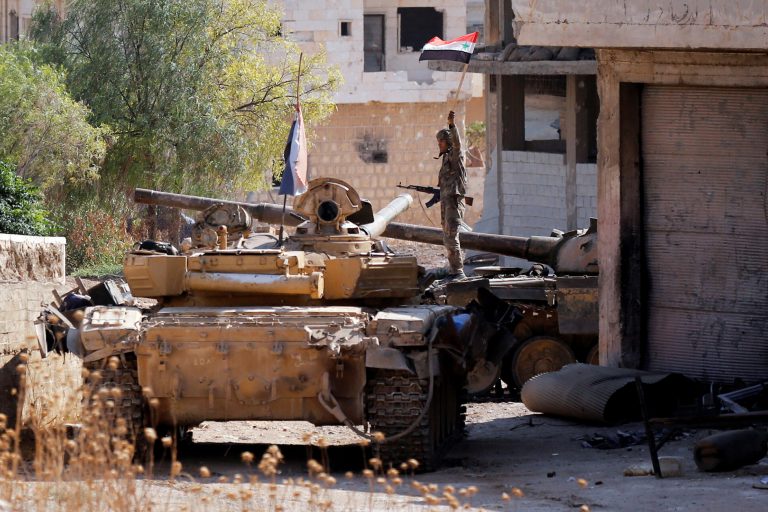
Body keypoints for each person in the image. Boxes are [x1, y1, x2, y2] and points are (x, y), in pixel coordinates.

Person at [435, 110, 467, 279]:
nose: (439, 144)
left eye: (441, 141)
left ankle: (458, 271)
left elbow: (457, 144)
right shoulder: (446, 158)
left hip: (454, 203)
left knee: (451, 236)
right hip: (447, 201)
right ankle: (453, 269)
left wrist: (452, 125)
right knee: (447, 237)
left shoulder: (455, 155)